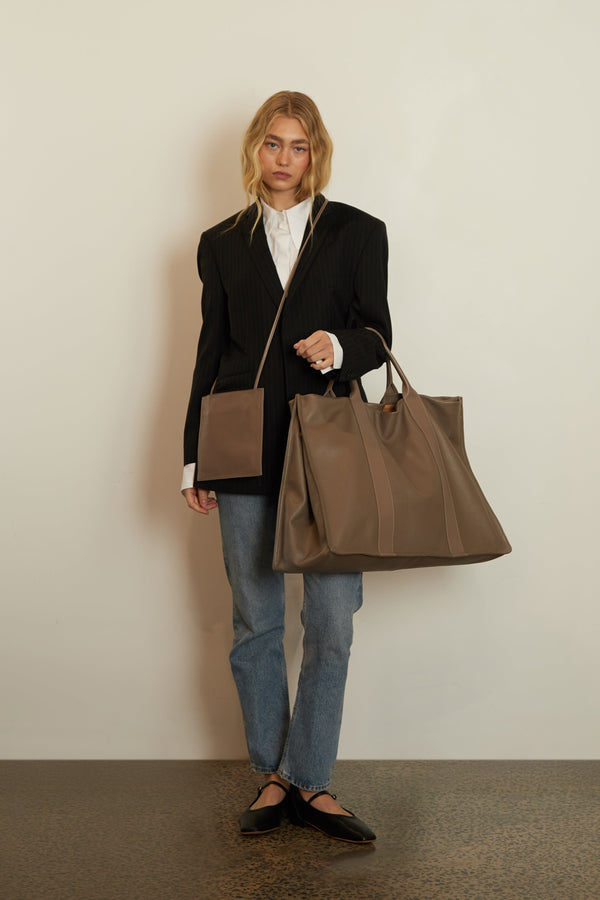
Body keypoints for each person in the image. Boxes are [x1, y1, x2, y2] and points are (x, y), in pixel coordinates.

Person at [182, 91, 392, 843]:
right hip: (240, 453)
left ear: (316, 154)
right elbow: (211, 354)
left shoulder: (359, 232)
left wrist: (337, 347)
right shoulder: (221, 241)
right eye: (272, 143)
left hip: (331, 449)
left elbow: (377, 333)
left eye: (298, 146)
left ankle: (313, 780)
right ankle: (276, 776)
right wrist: (193, 459)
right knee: (256, 622)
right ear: (255, 149)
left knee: (333, 622)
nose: (283, 158)